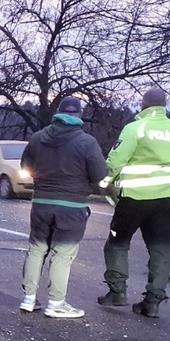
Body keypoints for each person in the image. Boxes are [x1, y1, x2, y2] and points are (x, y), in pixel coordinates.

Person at [98, 87, 170, 318]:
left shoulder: (136, 128)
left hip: (135, 198)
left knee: (117, 243)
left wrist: (103, 183)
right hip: (167, 199)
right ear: (164, 105)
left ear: (144, 104)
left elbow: (117, 159)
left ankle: (117, 292)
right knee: (160, 249)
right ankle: (153, 301)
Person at [19, 96, 108, 318]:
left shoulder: (38, 138)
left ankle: (28, 299)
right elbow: (100, 174)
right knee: (62, 254)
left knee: (36, 249)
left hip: (41, 202)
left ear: (57, 113)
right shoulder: (87, 142)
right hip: (72, 204)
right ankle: (56, 303)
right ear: (78, 115)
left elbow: (26, 167)